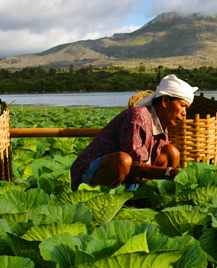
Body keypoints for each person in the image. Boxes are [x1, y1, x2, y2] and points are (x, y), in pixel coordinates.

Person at [69, 74, 198, 191]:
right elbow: (134, 165)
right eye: (182, 106)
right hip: (90, 174)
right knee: (123, 160)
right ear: (165, 101)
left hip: (128, 178)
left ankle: (135, 196)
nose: (184, 113)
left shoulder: (161, 125)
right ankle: (99, 196)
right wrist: (168, 173)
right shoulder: (138, 116)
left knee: (171, 153)